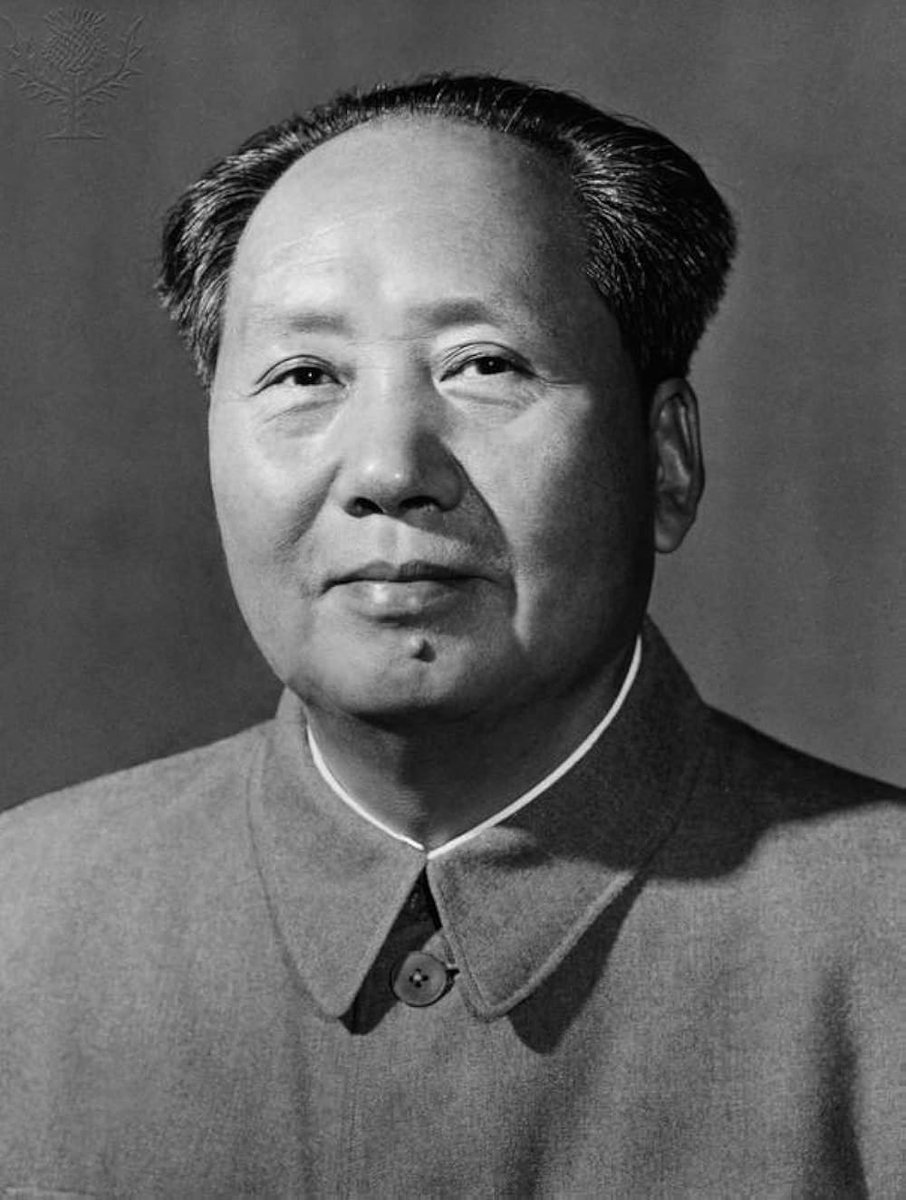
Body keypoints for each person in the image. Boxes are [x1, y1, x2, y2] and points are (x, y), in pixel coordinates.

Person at [0, 74, 902, 1198]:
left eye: (484, 365)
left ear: (666, 459)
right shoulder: (22, 922)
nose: (389, 471)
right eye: (304, 375)